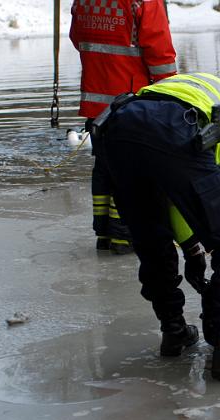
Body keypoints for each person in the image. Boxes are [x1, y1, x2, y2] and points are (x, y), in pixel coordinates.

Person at [93, 73, 220, 380]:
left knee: (152, 240)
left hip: (118, 127)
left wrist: (192, 246)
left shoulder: (203, 92)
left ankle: (174, 332)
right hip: (173, 127)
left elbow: (173, 189)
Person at [69, 0, 177, 254]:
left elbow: (78, 38)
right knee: (132, 172)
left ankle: (104, 232)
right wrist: (172, 95)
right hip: (132, 102)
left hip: (96, 102)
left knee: (105, 168)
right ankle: (124, 235)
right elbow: (160, 52)